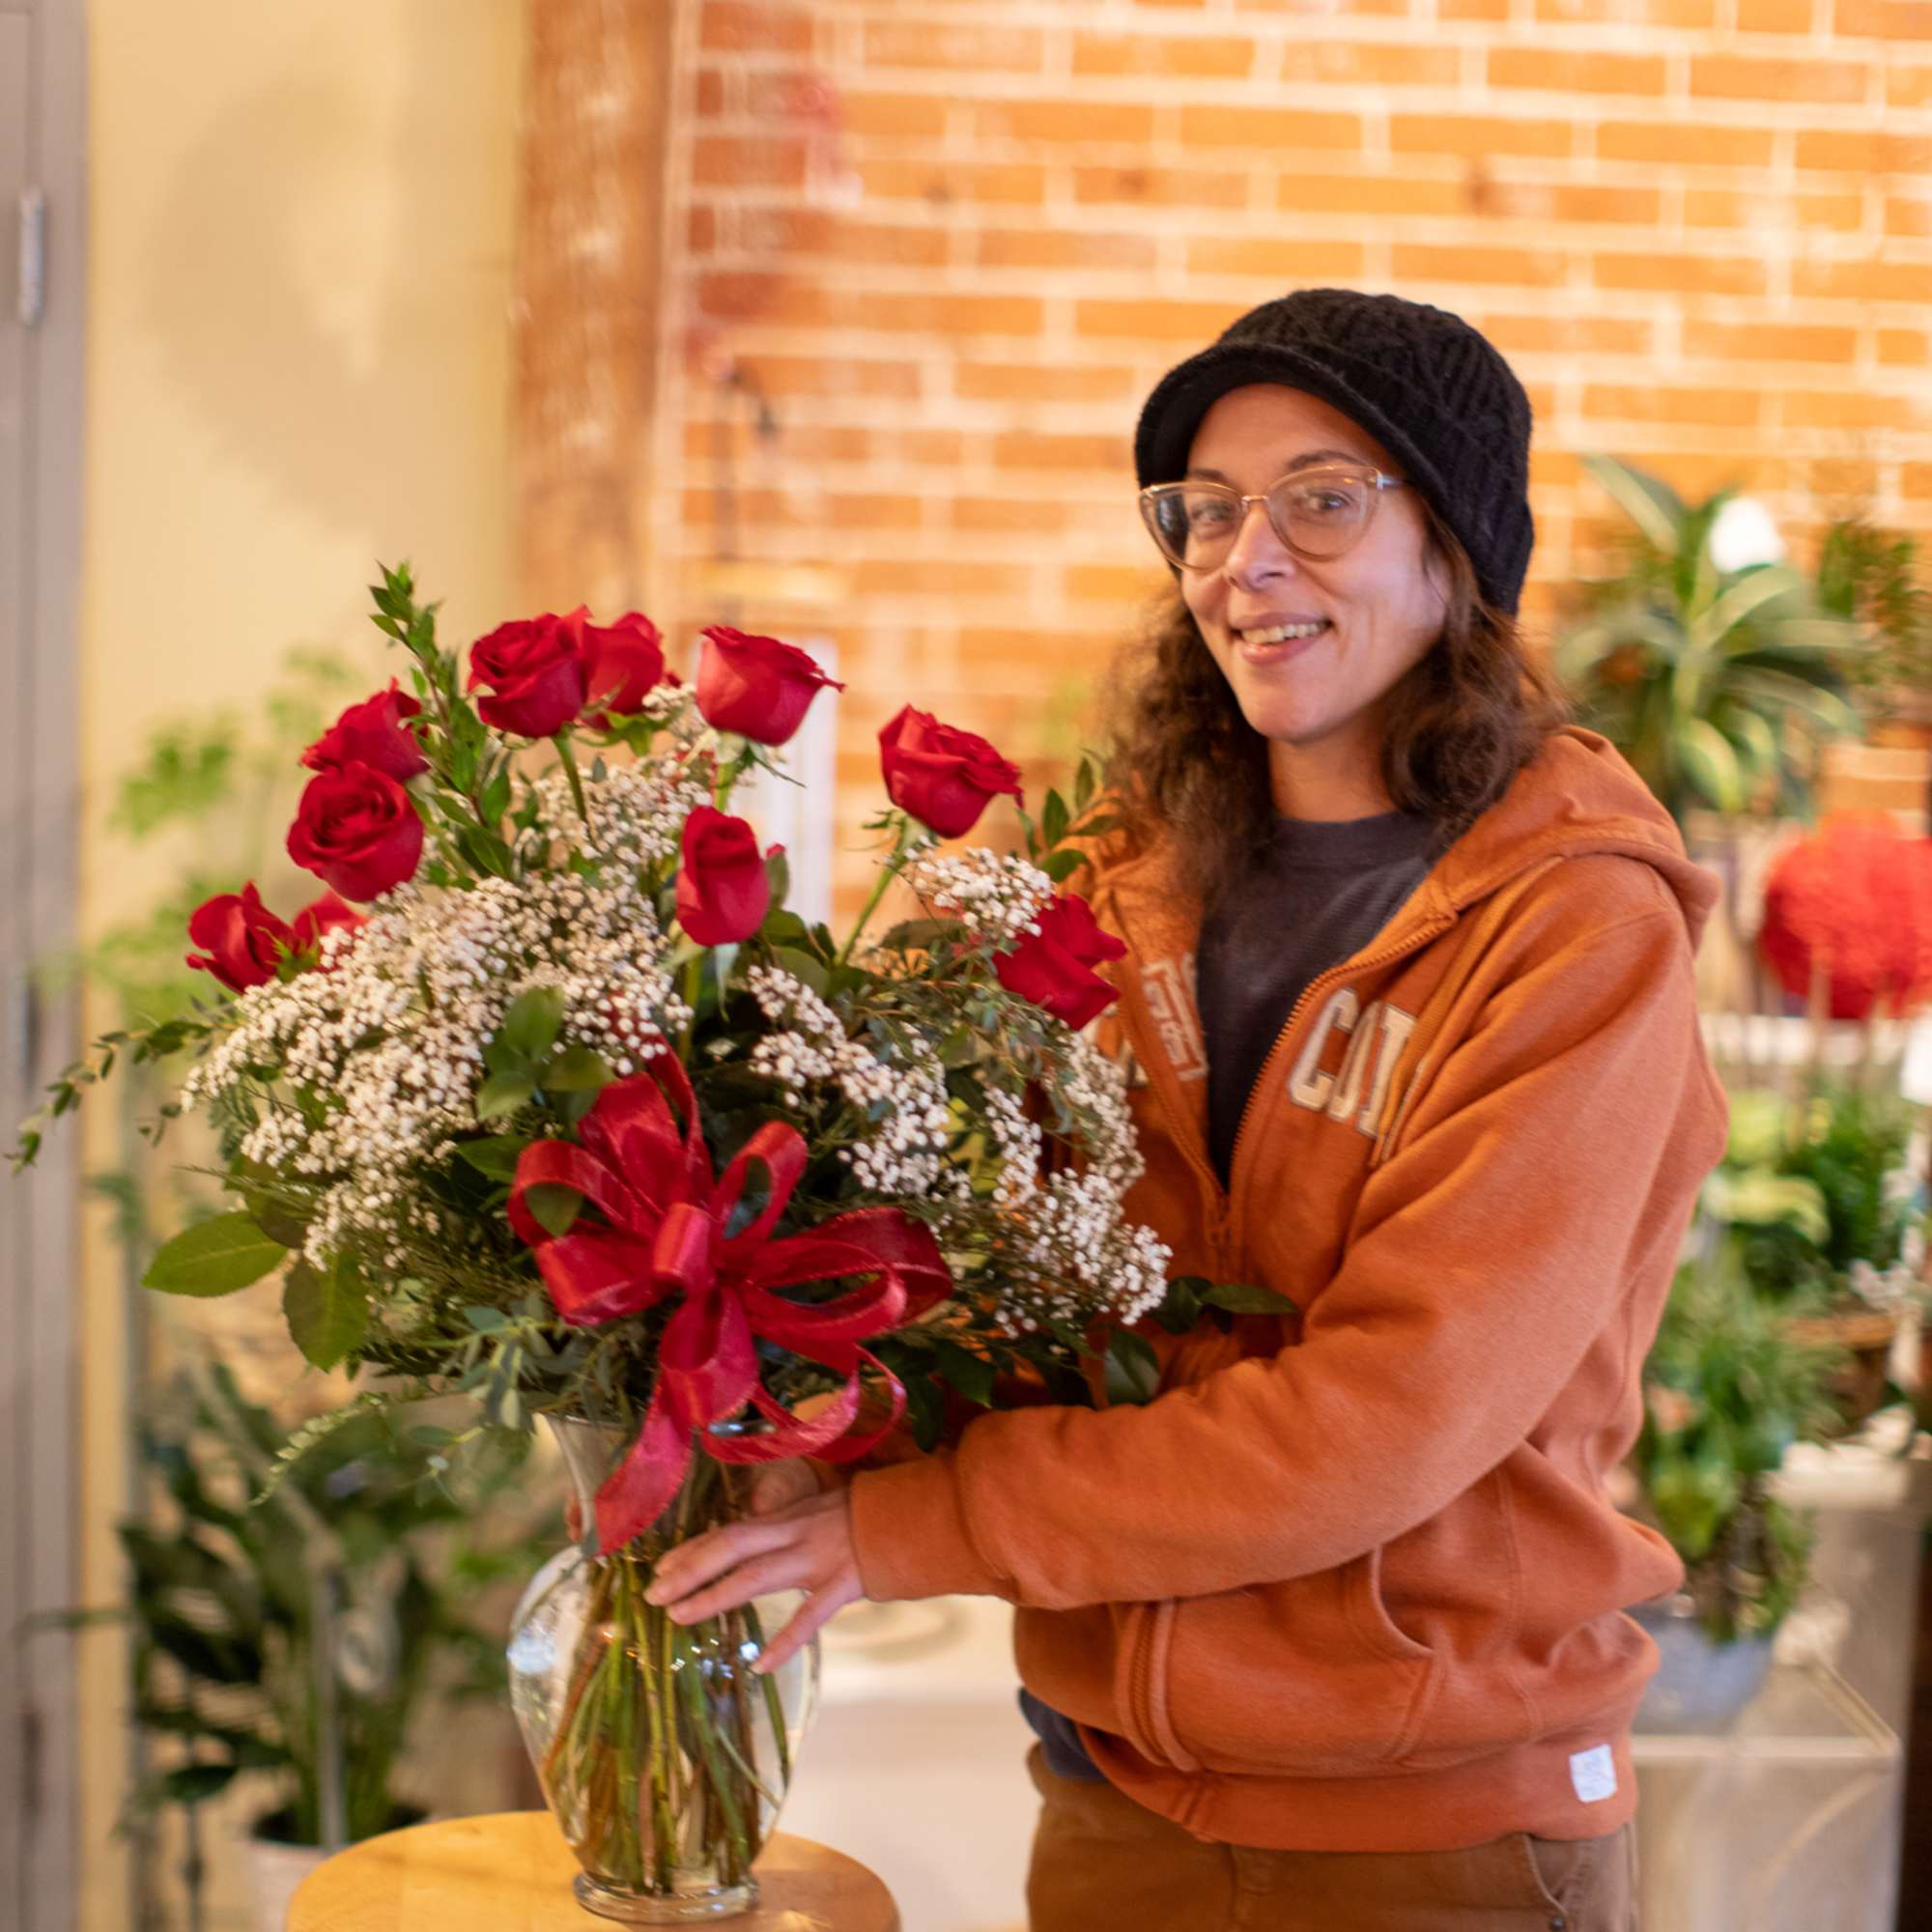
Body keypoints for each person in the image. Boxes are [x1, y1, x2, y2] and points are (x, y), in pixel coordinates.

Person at [646, 288, 1728, 1932]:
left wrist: (914, 1527)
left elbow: (1390, 1417)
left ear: (1458, 553)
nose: (1246, 558)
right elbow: (996, 1258)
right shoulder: (1123, 877)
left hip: (1433, 1834)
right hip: (1110, 1798)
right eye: (1205, 512)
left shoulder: (1575, 927)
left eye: (1322, 497)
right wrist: (781, 1401)